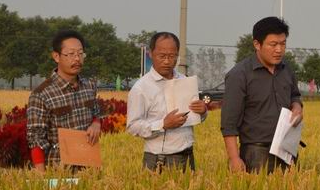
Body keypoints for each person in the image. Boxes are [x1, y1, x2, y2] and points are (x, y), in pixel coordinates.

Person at [221, 16, 303, 173]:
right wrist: (234, 158)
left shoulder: (286, 69)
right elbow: (229, 123)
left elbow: (294, 95)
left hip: (287, 150)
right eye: (273, 44)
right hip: (256, 153)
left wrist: (297, 106)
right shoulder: (239, 75)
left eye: (283, 44)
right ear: (257, 44)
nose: (279, 50)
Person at [126, 32, 208, 171]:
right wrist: (163, 124)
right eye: (162, 56)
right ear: (151, 54)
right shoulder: (141, 88)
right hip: (159, 160)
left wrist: (203, 111)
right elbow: (133, 126)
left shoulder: (185, 81)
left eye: (172, 56)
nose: (167, 61)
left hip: (188, 156)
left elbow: (196, 117)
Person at [26, 29, 101, 171]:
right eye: (71, 54)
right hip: (59, 171)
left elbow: (96, 113)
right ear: (56, 56)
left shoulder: (89, 86)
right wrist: (41, 176)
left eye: (80, 53)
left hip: (90, 169)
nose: (77, 59)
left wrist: (96, 123)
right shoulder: (41, 94)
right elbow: (36, 137)